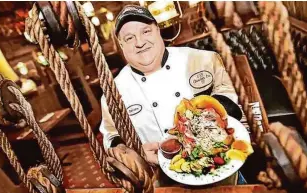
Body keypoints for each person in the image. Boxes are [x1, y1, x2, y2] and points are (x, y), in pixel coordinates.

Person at [99, 5, 242, 165]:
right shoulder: (113, 93)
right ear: (121, 45)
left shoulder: (203, 60)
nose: (139, 42)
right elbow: (111, 135)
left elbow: (230, 95)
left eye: (146, 31)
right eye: (129, 38)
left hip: (221, 158)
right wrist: (132, 152)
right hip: (160, 171)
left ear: (158, 31)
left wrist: (200, 125)